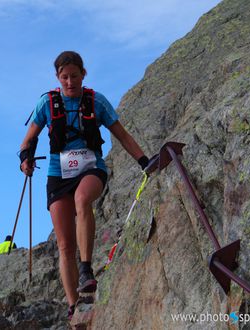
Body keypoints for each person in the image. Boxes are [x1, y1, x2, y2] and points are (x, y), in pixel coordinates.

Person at [19, 51, 152, 319]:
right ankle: (73, 305)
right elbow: (27, 141)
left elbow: (122, 135)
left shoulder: (96, 101)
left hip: (91, 168)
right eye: (64, 77)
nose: (70, 82)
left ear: (84, 74)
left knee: (83, 199)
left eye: (74, 76)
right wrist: (25, 160)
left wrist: (144, 161)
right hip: (58, 176)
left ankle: (86, 270)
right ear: (58, 77)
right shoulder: (46, 103)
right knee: (64, 245)